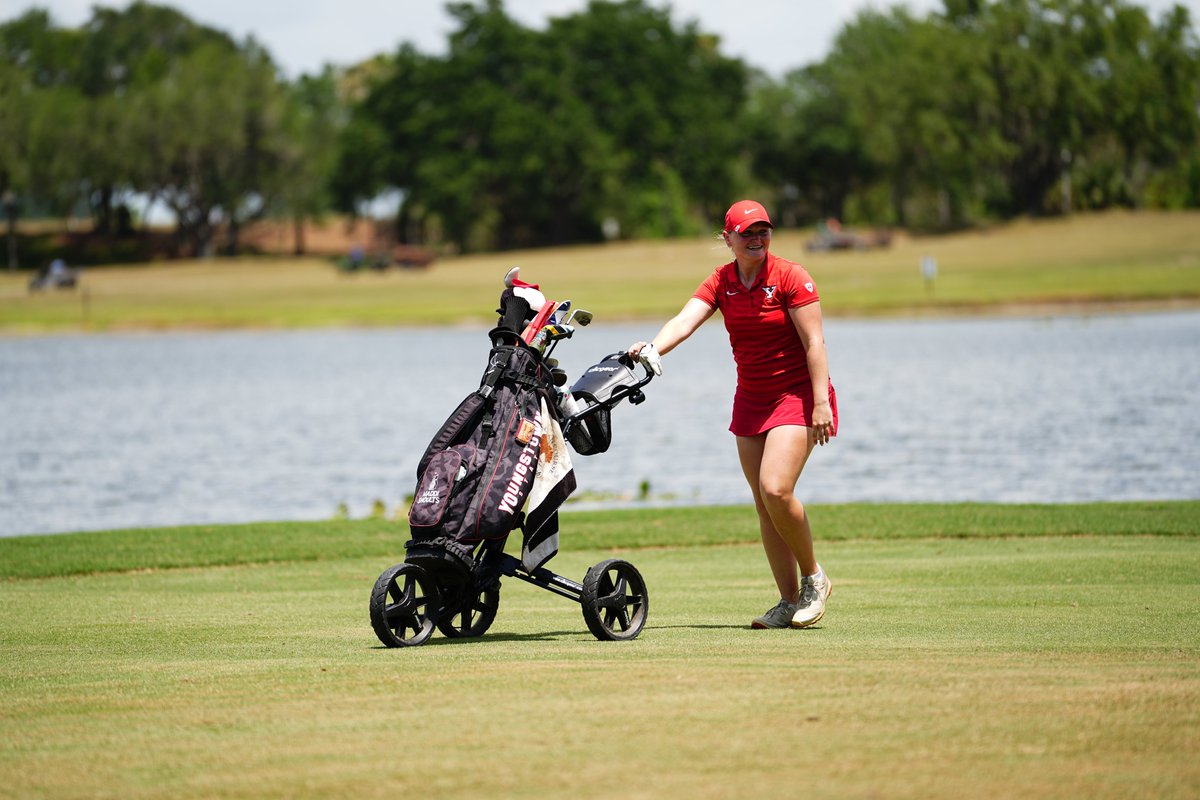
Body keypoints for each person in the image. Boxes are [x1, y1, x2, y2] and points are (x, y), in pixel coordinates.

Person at [628, 200, 838, 630]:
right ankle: (788, 601)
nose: (757, 239)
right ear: (728, 239)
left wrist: (820, 402)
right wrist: (652, 347)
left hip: (797, 396)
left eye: (763, 231)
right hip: (751, 399)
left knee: (775, 488)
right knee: (764, 505)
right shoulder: (721, 281)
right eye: (747, 233)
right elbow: (685, 321)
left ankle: (814, 579)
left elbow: (815, 343)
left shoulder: (791, 276)